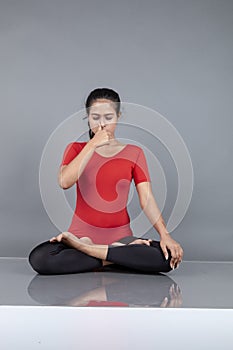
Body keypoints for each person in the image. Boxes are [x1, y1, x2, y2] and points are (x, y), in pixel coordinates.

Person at [28, 87, 184, 275]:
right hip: (79, 236)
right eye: (95, 118)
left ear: (118, 116)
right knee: (40, 258)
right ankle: (114, 258)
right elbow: (64, 181)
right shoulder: (76, 149)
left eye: (108, 118)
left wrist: (165, 235)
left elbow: (147, 198)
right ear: (87, 118)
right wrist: (93, 143)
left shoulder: (134, 153)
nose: (102, 124)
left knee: (165, 258)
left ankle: (92, 252)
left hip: (121, 241)